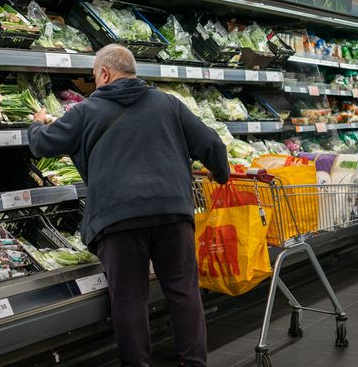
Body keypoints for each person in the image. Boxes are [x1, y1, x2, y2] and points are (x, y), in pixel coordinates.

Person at [27, 44, 230, 367]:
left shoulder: (85, 111)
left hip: (118, 220)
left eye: (95, 76)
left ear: (105, 73)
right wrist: (220, 174)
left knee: (129, 299)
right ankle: (193, 363)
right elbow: (211, 144)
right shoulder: (169, 104)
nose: (95, 83)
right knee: (183, 292)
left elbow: (42, 145)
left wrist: (36, 123)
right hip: (172, 213)